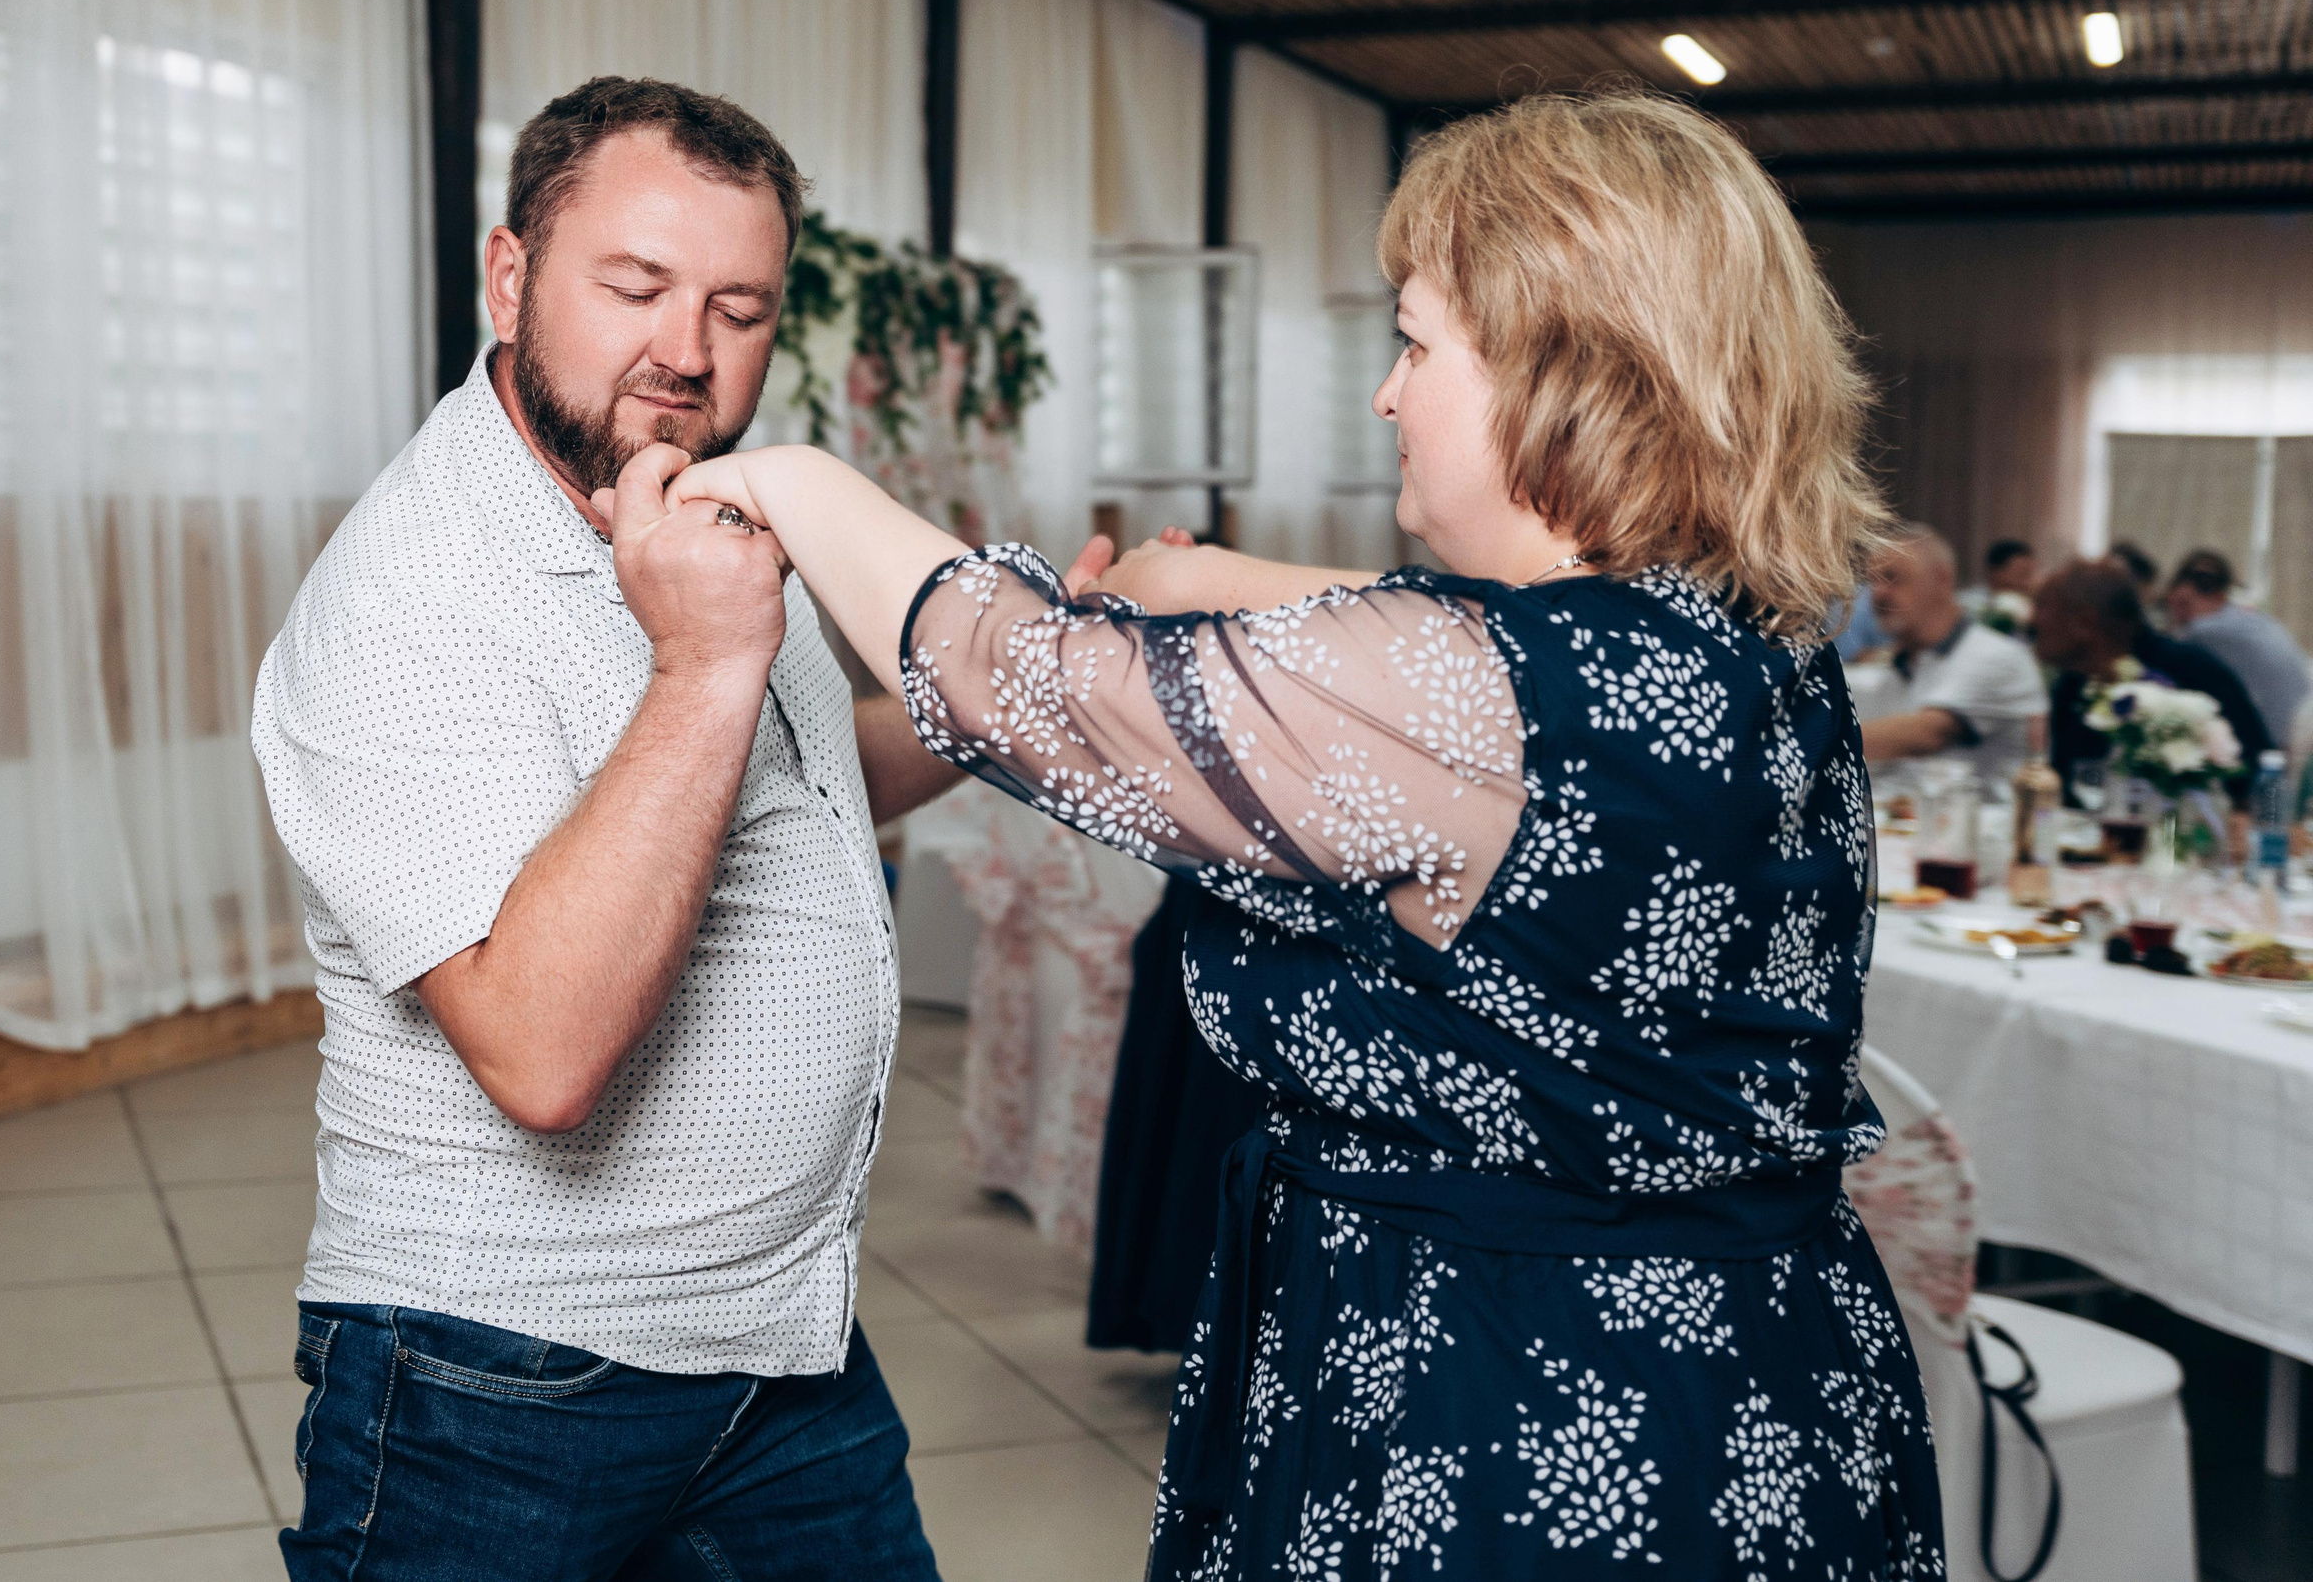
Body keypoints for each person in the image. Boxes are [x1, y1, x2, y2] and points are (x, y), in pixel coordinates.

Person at [659, 90, 1939, 1577]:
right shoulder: (1746, 641)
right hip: (1762, 1373)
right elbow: (1463, 648)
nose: (1388, 394)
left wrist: (786, 477)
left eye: (1416, 343)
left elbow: (1031, 689)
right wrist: (1210, 579)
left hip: (1511, 1400)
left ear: (1559, 368)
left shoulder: (1476, 693)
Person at [251, 78, 958, 1580]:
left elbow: (799, 801)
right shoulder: (411, 592)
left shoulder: (691, 507)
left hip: (781, 1346)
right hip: (501, 1373)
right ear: (511, 276)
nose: (687, 352)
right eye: (633, 286)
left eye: (741, 306)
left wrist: (994, 712)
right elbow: (542, 1047)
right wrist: (707, 663)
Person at [2035, 558, 2275, 799]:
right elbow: (2067, 795)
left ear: (2085, 622)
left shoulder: (2192, 671)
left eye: (2042, 607)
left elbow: (2261, 776)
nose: (2032, 620)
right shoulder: (2072, 687)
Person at [1859, 523, 2048, 787]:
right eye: (1873, 581)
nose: (1878, 594)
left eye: (1893, 578)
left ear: (1942, 580)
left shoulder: (1996, 656)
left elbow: (1928, 734)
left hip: (1984, 824)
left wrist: (1805, 745)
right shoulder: (1900, 666)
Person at [2164, 548, 2309, 748]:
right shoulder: (2250, 618)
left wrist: (2177, 619)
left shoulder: (2204, 630)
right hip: (2300, 726)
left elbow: (2169, 656)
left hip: (2281, 744)